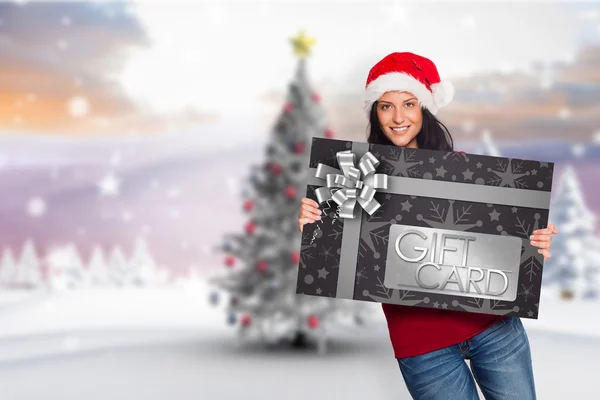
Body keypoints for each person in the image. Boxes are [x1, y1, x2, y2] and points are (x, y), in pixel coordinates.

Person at [297, 52, 558, 400]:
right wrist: (314, 225)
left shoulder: (465, 169)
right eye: (386, 106)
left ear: (425, 109)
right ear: (375, 112)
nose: (398, 117)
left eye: (409, 103)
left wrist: (535, 239)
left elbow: (510, 244)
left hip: (494, 328)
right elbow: (338, 253)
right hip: (422, 345)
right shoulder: (355, 178)